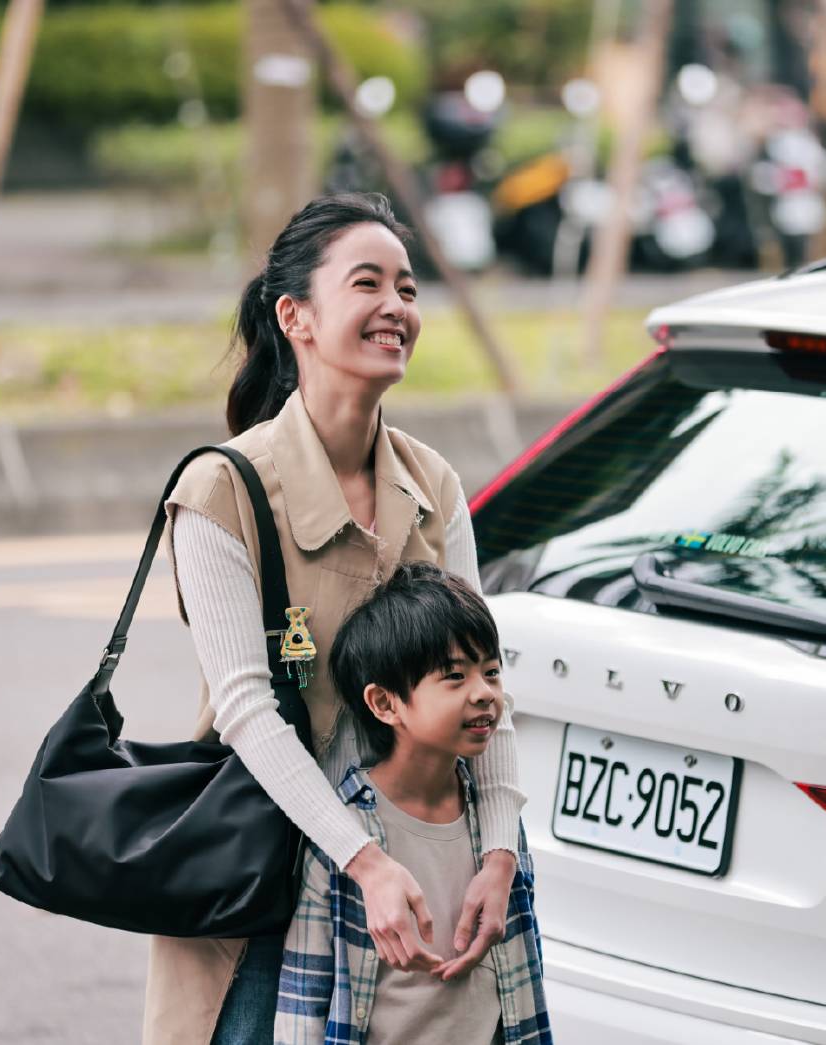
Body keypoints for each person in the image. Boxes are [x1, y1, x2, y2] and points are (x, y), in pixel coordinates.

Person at [142, 194, 527, 1045]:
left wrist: (498, 852)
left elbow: (487, 687)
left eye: (409, 288)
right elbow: (245, 706)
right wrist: (362, 860)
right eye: (368, 284)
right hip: (267, 881)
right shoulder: (219, 491)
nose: (397, 307)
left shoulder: (434, 485)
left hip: (427, 867)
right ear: (296, 317)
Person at [276, 561, 550, 1045]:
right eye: (454, 676)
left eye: (491, 672)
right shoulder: (346, 833)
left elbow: (523, 974)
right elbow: (303, 997)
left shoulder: (497, 831)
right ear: (385, 704)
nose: (485, 694)